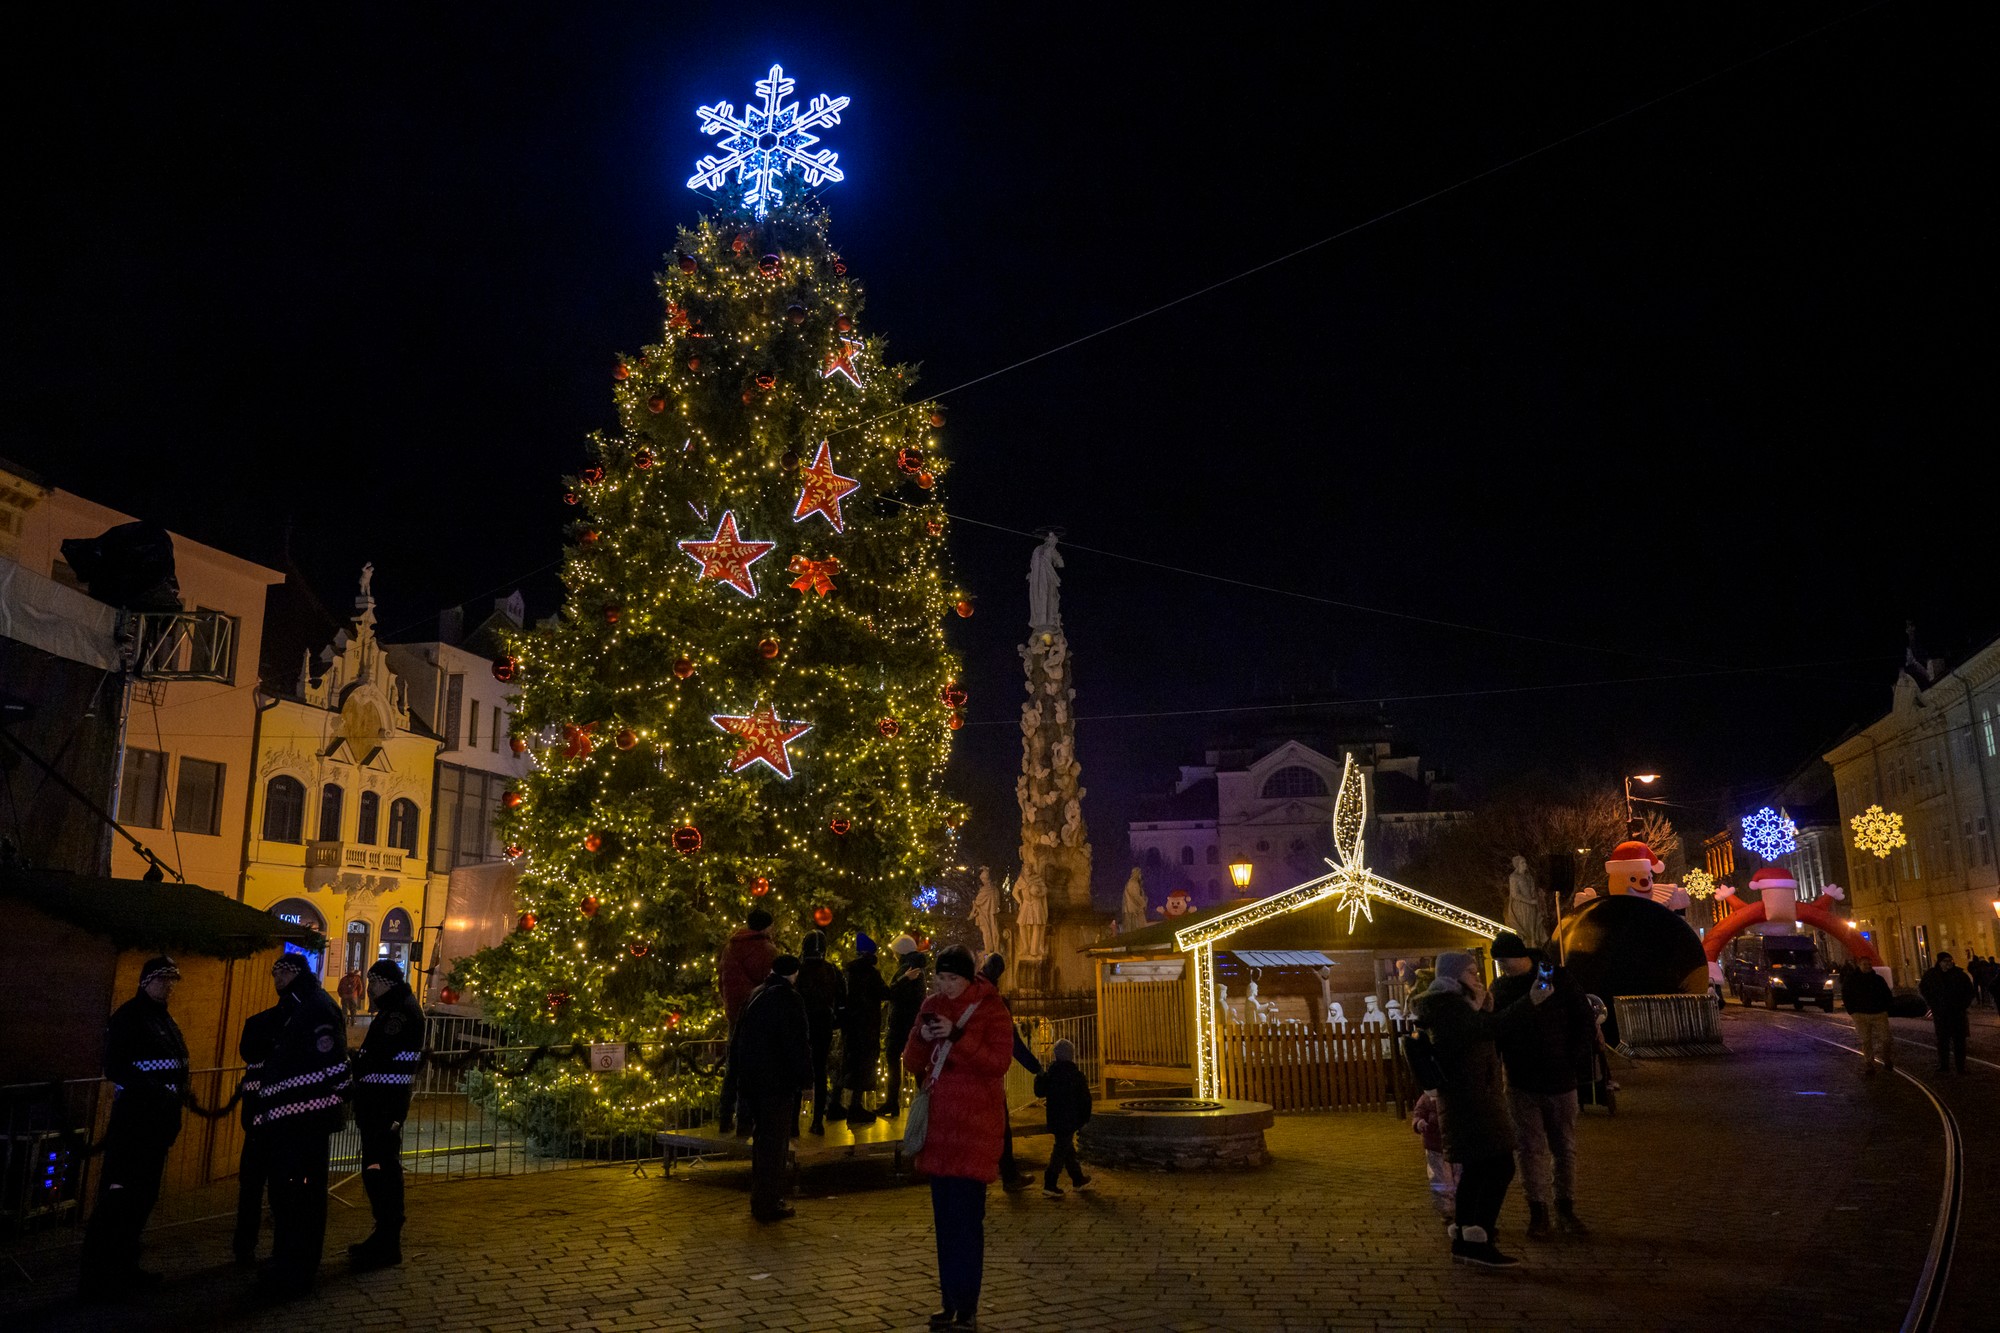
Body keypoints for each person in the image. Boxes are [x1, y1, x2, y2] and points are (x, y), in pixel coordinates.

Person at [1413, 948, 1549, 1269]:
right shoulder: (1448, 1007)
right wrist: (1530, 1001)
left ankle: (1467, 1237)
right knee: (1499, 1165)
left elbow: (1485, 1026)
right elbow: (1487, 1029)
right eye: (1472, 972)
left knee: (1479, 1168)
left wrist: (1486, 1003)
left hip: (1474, 1098)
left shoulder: (1456, 1005)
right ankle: (1478, 1236)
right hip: (1469, 1101)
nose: (1478, 977)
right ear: (1454, 974)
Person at [902, 946, 1014, 1330]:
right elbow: (912, 1062)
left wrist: (959, 1036)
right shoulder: (931, 1004)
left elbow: (998, 1063)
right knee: (945, 1224)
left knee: (967, 1224)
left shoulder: (991, 1008)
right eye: (941, 978)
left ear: (969, 979)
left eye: (953, 979)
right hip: (939, 1132)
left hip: (974, 1130)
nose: (945, 986)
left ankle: (967, 1306)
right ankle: (949, 1302)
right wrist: (921, 1034)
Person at [78, 956, 188, 1294]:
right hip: (134, 1124)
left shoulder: (163, 1018)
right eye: (163, 980)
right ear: (146, 981)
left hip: (157, 1124)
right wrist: (154, 1090)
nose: (169, 986)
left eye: (172, 981)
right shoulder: (129, 1017)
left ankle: (126, 1265)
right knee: (120, 1200)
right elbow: (115, 1067)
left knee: (142, 1198)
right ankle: (101, 1274)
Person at [252, 954, 350, 1300]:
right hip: (293, 1119)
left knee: (300, 1197)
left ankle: (297, 1270)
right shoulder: (301, 1004)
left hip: (305, 1121)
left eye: (277, 974)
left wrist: (342, 1094)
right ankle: (287, 1262)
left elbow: (332, 1060)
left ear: (290, 974)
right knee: (288, 1196)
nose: (274, 981)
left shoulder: (314, 1006)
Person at [1487, 932, 1595, 1240]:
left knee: (1564, 1148)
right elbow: (1498, 1028)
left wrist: (1571, 1059)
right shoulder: (1502, 988)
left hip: (1560, 1080)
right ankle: (1539, 1213)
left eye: (1504, 962)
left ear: (1519, 957)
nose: (1502, 968)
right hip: (1521, 1082)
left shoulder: (1558, 979)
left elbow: (1583, 1020)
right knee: (1529, 1149)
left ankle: (1565, 1209)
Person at [349, 959, 424, 1269]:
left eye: (373, 984)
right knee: (379, 1169)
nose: (370, 990)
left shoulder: (399, 1014)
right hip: (380, 1104)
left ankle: (387, 1240)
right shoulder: (397, 1008)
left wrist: (356, 1058)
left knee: (381, 1170)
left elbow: (380, 1055)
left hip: (384, 1105)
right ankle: (383, 1236)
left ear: (383, 983)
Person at [731, 954, 812, 1222]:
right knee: (774, 1144)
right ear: (794, 974)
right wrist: (806, 1081)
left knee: (762, 1142)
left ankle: (761, 1198)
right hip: (777, 1082)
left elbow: (739, 1037)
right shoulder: (789, 999)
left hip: (753, 1080)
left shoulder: (757, 994)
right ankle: (769, 1201)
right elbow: (798, 1044)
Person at [231, 994, 287, 1266]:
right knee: (272, 1189)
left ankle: (245, 1247)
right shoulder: (293, 1027)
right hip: (275, 1124)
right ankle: (273, 1249)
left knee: (251, 1190)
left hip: (257, 1121)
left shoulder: (256, 1024)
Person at [978, 953, 1040, 1190]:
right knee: (1001, 1127)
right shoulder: (996, 1003)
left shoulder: (967, 996)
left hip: (964, 1076)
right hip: (988, 1076)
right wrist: (1036, 1068)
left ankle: (972, 1177)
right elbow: (1013, 1043)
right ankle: (1009, 1175)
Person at [716, 908, 778, 1134]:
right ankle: (744, 1119)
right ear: (766, 926)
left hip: (734, 1014)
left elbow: (721, 979)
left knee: (733, 1066)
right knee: (750, 1069)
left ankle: (724, 1115)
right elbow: (771, 983)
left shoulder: (730, 948)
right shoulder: (766, 950)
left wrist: (729, 1006)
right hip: (755, 1016)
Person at [795, 931, 846, 1135]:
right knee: (819, 1070)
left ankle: (792, 1123)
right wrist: (836, 1021)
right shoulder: (832, 971)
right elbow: (842, 1000)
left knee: (798, 1071)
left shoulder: (799, 970)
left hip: (801, 1025)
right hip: (823, 1025)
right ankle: (817, 1121)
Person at [839, 933, 888, 1124]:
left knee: (849, 1062)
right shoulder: (871, 973)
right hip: (867, 1025)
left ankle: (838, 1103)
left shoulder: (849, 973)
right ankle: (855, 1106)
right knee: (864, 1065)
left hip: (851, 1025)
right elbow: (885, 993)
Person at [1033, 1038, 1092, 1197]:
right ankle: (1050, 1183)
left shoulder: (1051, 1074)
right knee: (1061, 1149)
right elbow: (1085, 1099)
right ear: (1071, 1055)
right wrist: (1085, 1117)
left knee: (1066, 1147)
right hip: (1070, 1118)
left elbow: (1039, 1092)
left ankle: (1077, 1178)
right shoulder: (1076, 1075)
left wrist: (1039, 1076)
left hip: (1055, 1117)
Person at [882, 933, 930, 1118]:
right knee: (916, 1066)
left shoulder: (906, 969)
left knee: (894, 1062)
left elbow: (894, 993)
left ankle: (892, 1102)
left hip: (901, 1024)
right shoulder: (916, 968)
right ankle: (926, 1100)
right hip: (912, 1024)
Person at [1919, 951, 1975, 1074]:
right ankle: (1944, 1066)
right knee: (1942, 1041)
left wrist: (1963, 1004)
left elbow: (1969, 991)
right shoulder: (1931, 975)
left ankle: (1961, 1067)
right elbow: (1923, 989)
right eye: (1946, 961)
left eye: (1950, 961)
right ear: (1939, 962)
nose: (1949, 963)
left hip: (1957, 1013)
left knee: (1959, 1041)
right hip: (1941, 1014)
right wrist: (1932, 1003)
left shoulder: (1959, 975)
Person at [1839, 961, 1895, 1077]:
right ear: (1859, 965)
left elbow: (1887, 994)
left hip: (1879, 1013)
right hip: (1860, 1015)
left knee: (1886, 1039)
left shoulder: (1878, 979)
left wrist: (1885, 1007)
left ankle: (1886, 1058)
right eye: (1865, 964)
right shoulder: (1852, 980)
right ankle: (1869, 1063)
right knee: (1866, 1040)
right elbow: (1846, 994)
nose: (1868, 966)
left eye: (1869, 964)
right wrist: (1852, 1011)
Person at [1410, 1088, 1458, 1220]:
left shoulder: (1457, 1094)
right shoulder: (1427, 1098)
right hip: (1435, 1147)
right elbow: (1418, 1114)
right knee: (1440, 1179)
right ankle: (1446, 1209)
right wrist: (1419, 1123)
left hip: (1456, 1145)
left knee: (1459, 1177)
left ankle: (1461, 1207)